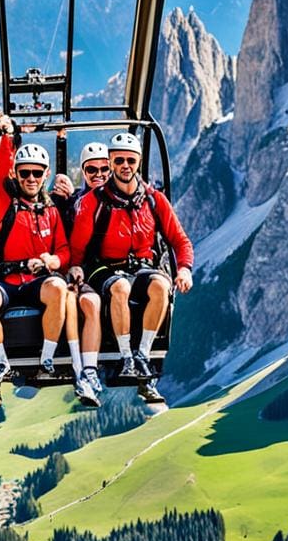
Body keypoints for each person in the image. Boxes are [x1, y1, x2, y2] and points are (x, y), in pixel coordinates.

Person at [68, 132, 194, 404]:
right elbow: (77, 248)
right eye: (120, 160)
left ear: (138, 162)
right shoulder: (94, 201)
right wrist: (76, 267)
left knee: (161, 285)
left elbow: (179, 240)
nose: (125, 166)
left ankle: (142, 354)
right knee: (120, 287)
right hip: (104, 268)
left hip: (141, 267)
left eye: (131, 160)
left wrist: (184, 268)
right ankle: (126, 356)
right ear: (111, 161)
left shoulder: (153, 200)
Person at [0, 115, 70, 407]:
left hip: (36, 282)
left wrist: (52, 260)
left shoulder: (51, 210)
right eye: (25, 173)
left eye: (37, 173)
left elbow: (65, 250)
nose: (30, 178)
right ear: (16, 175)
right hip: (7, 280)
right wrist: (8, 137)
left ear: (46, 175)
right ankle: (0, 361)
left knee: (57, 288)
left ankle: (47, 358)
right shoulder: (5, 203)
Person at [50, 140, 112, 407]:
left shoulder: (124, 197)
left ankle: (87, 370)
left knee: (89, 302)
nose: (98, 175)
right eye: (91, 171)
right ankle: (83, 371)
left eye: (103, 170)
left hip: (96, 269)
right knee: (78, 301)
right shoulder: (75, 201)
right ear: (84, 173)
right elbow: (62, 226)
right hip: (77, 269)